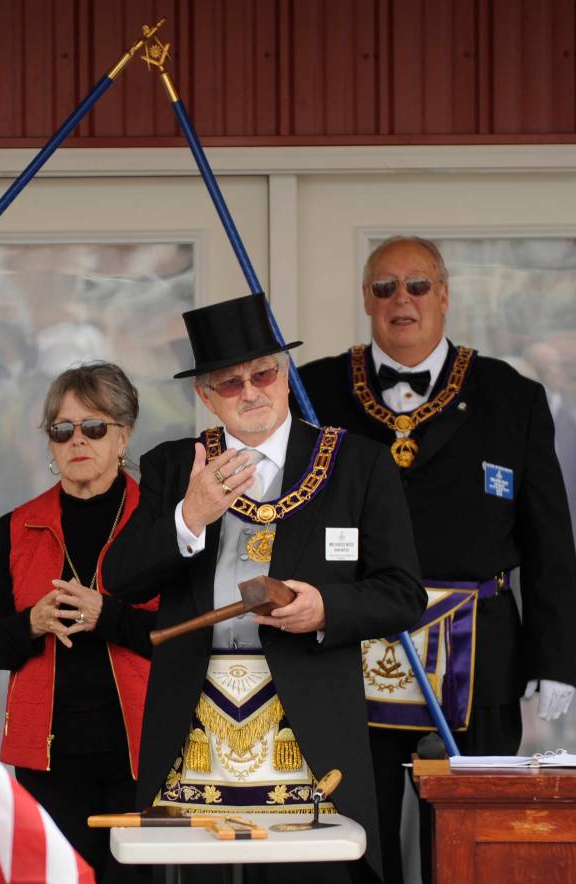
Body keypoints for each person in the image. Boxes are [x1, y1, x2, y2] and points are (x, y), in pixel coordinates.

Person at [101, 293, 427, 883]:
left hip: (309, 722)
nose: (250, 392)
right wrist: (189, 516)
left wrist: (327, 607)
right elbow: (119, 579)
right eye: (229, 384)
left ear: (284, 374)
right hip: (195, 727)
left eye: (263, 373)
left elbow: (402, 592)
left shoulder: (357, 465)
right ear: (205, 395)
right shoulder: (176, 466)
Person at [296, 236, 576, 883]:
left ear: (444, 296)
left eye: (417, 286)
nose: (402, 300)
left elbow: (548, 541)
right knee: (357, 839)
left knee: (471, 840)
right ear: (366, 300)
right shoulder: (313, 392)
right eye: (385, 287)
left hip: (480, 656)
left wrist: (552, 657)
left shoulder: (513, 397)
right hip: (351, 646)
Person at [0, 361, 157, 883]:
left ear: (124, 436)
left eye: (94, 427)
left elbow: (189, 638)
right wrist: (30, 622)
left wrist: (109, 617)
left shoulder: (160, 523)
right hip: (48, 758)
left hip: (145, 751)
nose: (78, 441)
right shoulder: (17, 527)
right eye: (62, 429)